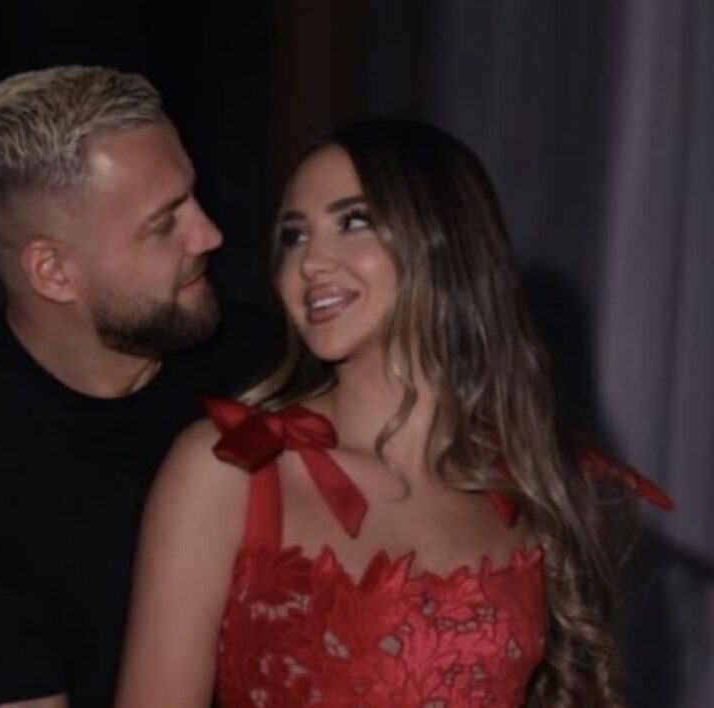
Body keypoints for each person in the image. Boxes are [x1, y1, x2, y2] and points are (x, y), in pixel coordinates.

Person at [116, 118, 673, 707]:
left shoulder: (525, 483)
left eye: (353, 222)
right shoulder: (231, 467)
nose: (310, 262)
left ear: (444, 240)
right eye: (294, 236)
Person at [0, 66, 279, 708]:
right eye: (164, 222)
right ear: (53, 272)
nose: (209, 234)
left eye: (192, 197)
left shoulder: (265, 357)